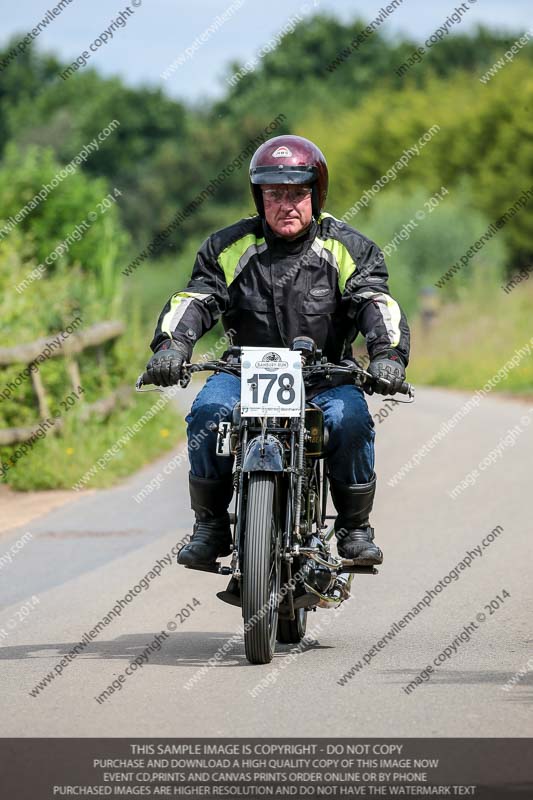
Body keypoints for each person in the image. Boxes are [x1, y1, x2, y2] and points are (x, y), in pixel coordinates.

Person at [145, 134, 410, 569]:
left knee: (350, 419)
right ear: (259, 196)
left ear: (316, 194)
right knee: (208, 412)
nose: (286, 204)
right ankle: (211, 525)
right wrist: (172, 346)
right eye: (274, 193)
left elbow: (375, 304)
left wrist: (388, 356)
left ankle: (354, 527)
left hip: (325, 376)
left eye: (297, 193)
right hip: (243, 374)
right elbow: (195, 298)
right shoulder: (228, 248)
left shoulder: (349, 248)